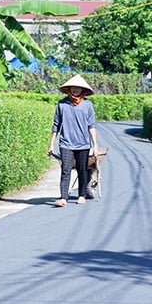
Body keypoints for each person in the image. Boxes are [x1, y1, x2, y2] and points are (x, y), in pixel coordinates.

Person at [48, 75, 99, 207]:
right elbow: (56, 125)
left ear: (83, 90)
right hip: (66, 143)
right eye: (73, 87)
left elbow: (91, 126)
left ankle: (81, 195)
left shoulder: (88, 105)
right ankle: (63, 198)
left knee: (82, 170)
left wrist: (95, 146)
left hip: (83, 143)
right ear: (68, 89)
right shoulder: (62, 104)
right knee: (65, 169)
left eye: (78, 88)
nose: (75, 89)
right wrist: (51, 144)